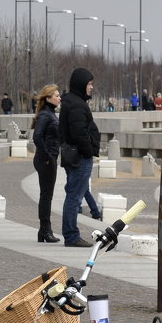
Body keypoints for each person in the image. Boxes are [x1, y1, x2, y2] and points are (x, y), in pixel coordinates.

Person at [58, 67, 100, 248]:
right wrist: (89, 151)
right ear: (81, 84)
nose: (91, 87)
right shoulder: (76, 104)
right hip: (80, 157)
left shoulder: (72, 101)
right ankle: (71, 235)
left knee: (73, 195)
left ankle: (71, 234)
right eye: (89, 84)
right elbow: (79, 132)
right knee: (74, 196)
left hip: (75, 155)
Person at [29, 84, 62, 243]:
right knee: (46, 196)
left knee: (46, 195)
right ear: (48, 98)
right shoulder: (45, 115)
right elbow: (37, 137)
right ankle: (45, 230)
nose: (59, 97)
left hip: (49, 158)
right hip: (46, 160)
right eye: (56, 95)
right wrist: (48, 157)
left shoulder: (50, 114)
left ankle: (43, 231)